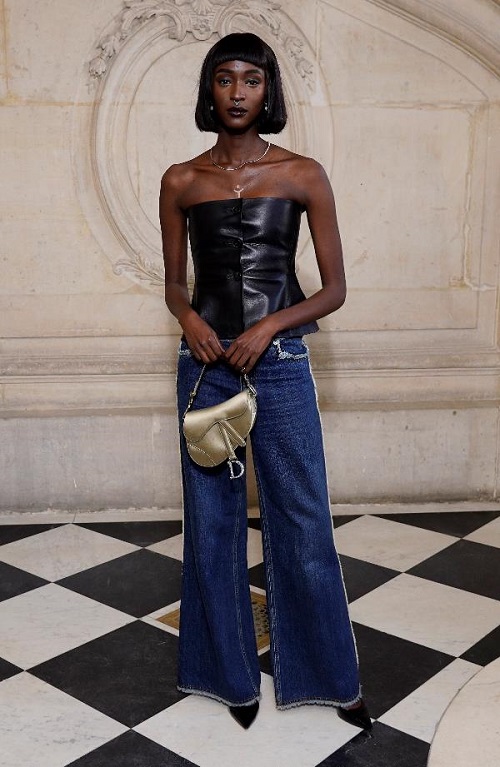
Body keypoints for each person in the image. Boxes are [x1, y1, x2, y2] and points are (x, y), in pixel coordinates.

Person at [159, 32, 371, 731]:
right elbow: (174, 286)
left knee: (302, 518)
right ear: (209, 90)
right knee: (212, 524)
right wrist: (190, 318)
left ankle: (330, 678)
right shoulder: (181, 181)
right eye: (225, 79)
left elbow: (335, 289)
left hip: (278, 365)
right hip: (205, 368)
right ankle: (227, 678)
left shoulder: (302, 173)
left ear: (268, 90)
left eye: (251, 79)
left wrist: (270, 326)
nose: (238, 92)